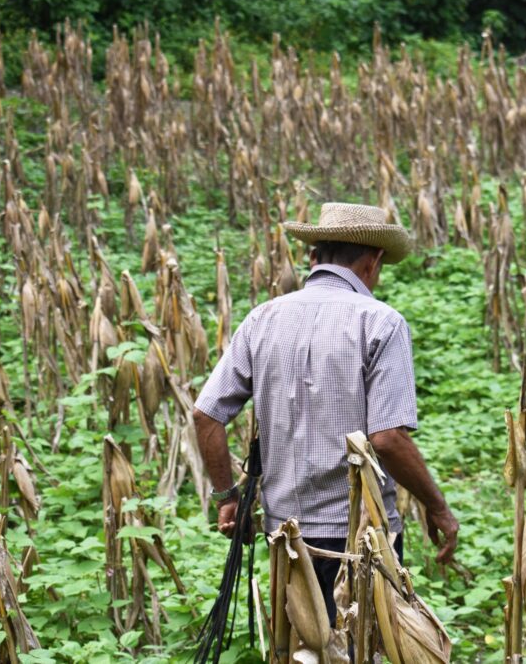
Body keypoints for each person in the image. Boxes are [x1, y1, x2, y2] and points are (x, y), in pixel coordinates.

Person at [193, 202, 459, 624]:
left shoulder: (262, 318)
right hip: (361, 537)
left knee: (298, 649)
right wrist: (437, 506)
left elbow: (206, 415)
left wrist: (228, 497)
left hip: (287, 536)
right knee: (359, 648)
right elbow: (388, 439)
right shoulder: (381, 322)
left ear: (314, 257)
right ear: (372, 262)